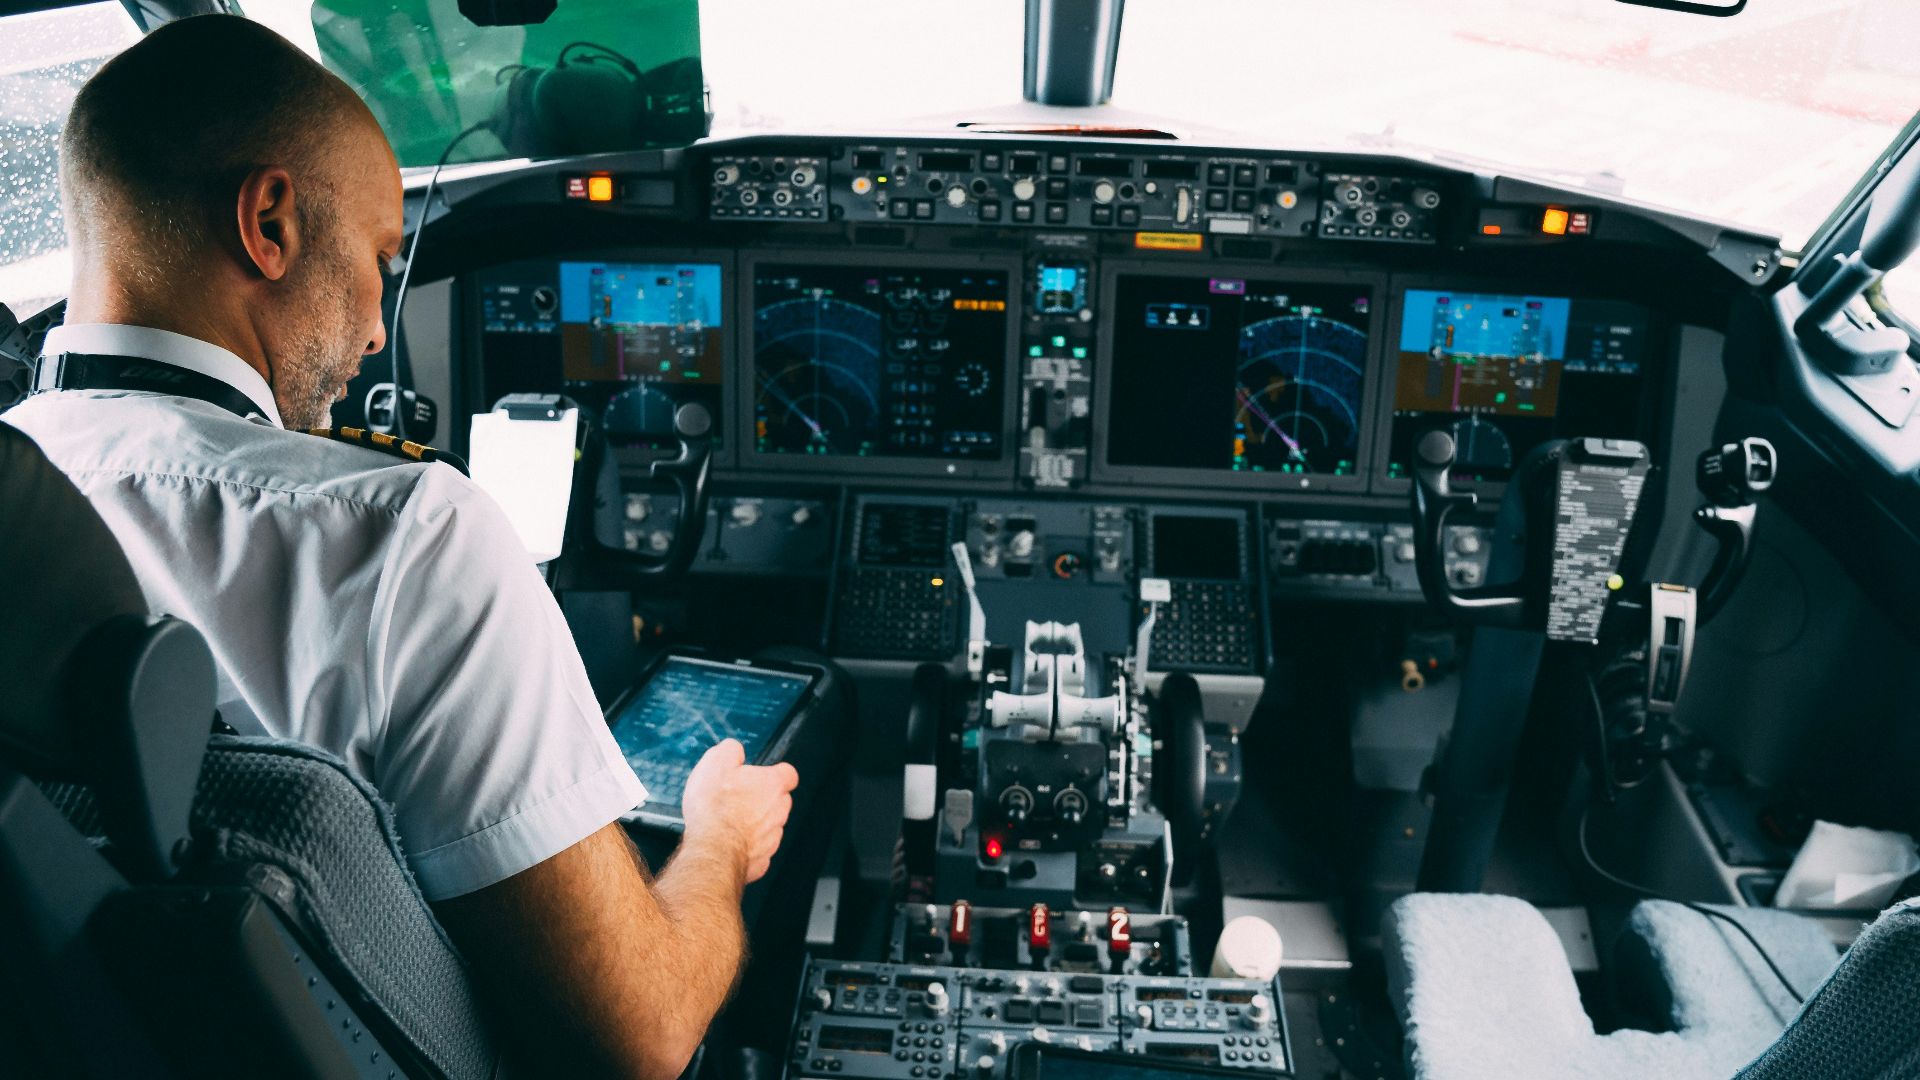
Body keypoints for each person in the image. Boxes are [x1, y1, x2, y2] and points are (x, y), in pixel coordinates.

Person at [1, 14, 795, 1078]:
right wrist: (719, 840)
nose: (381, 331)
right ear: (270, 222)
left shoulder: (16, 512)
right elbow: (638, 1037)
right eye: (382, 259)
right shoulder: (402, 535)